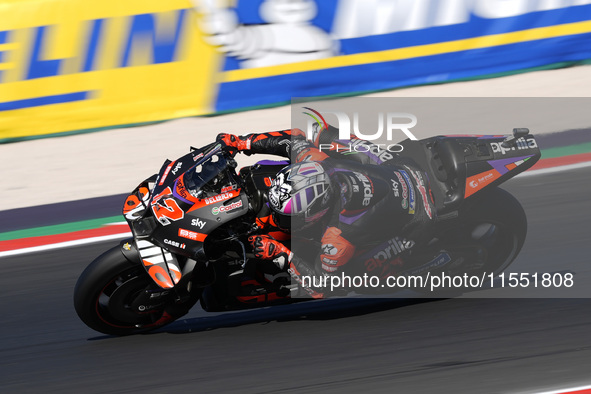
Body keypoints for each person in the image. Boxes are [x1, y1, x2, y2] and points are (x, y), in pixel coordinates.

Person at [217, 125, 436, 297]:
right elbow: (293, 138)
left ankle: (406, 266)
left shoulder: (337, 238)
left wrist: (283, 253)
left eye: (286, 216)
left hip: (419, 217)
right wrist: (242, 142)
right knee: (321, 132)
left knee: (355, 275)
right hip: (402, 168)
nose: (278, 218)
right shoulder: (318, 163)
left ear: (314, 214)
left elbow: (321, 287)